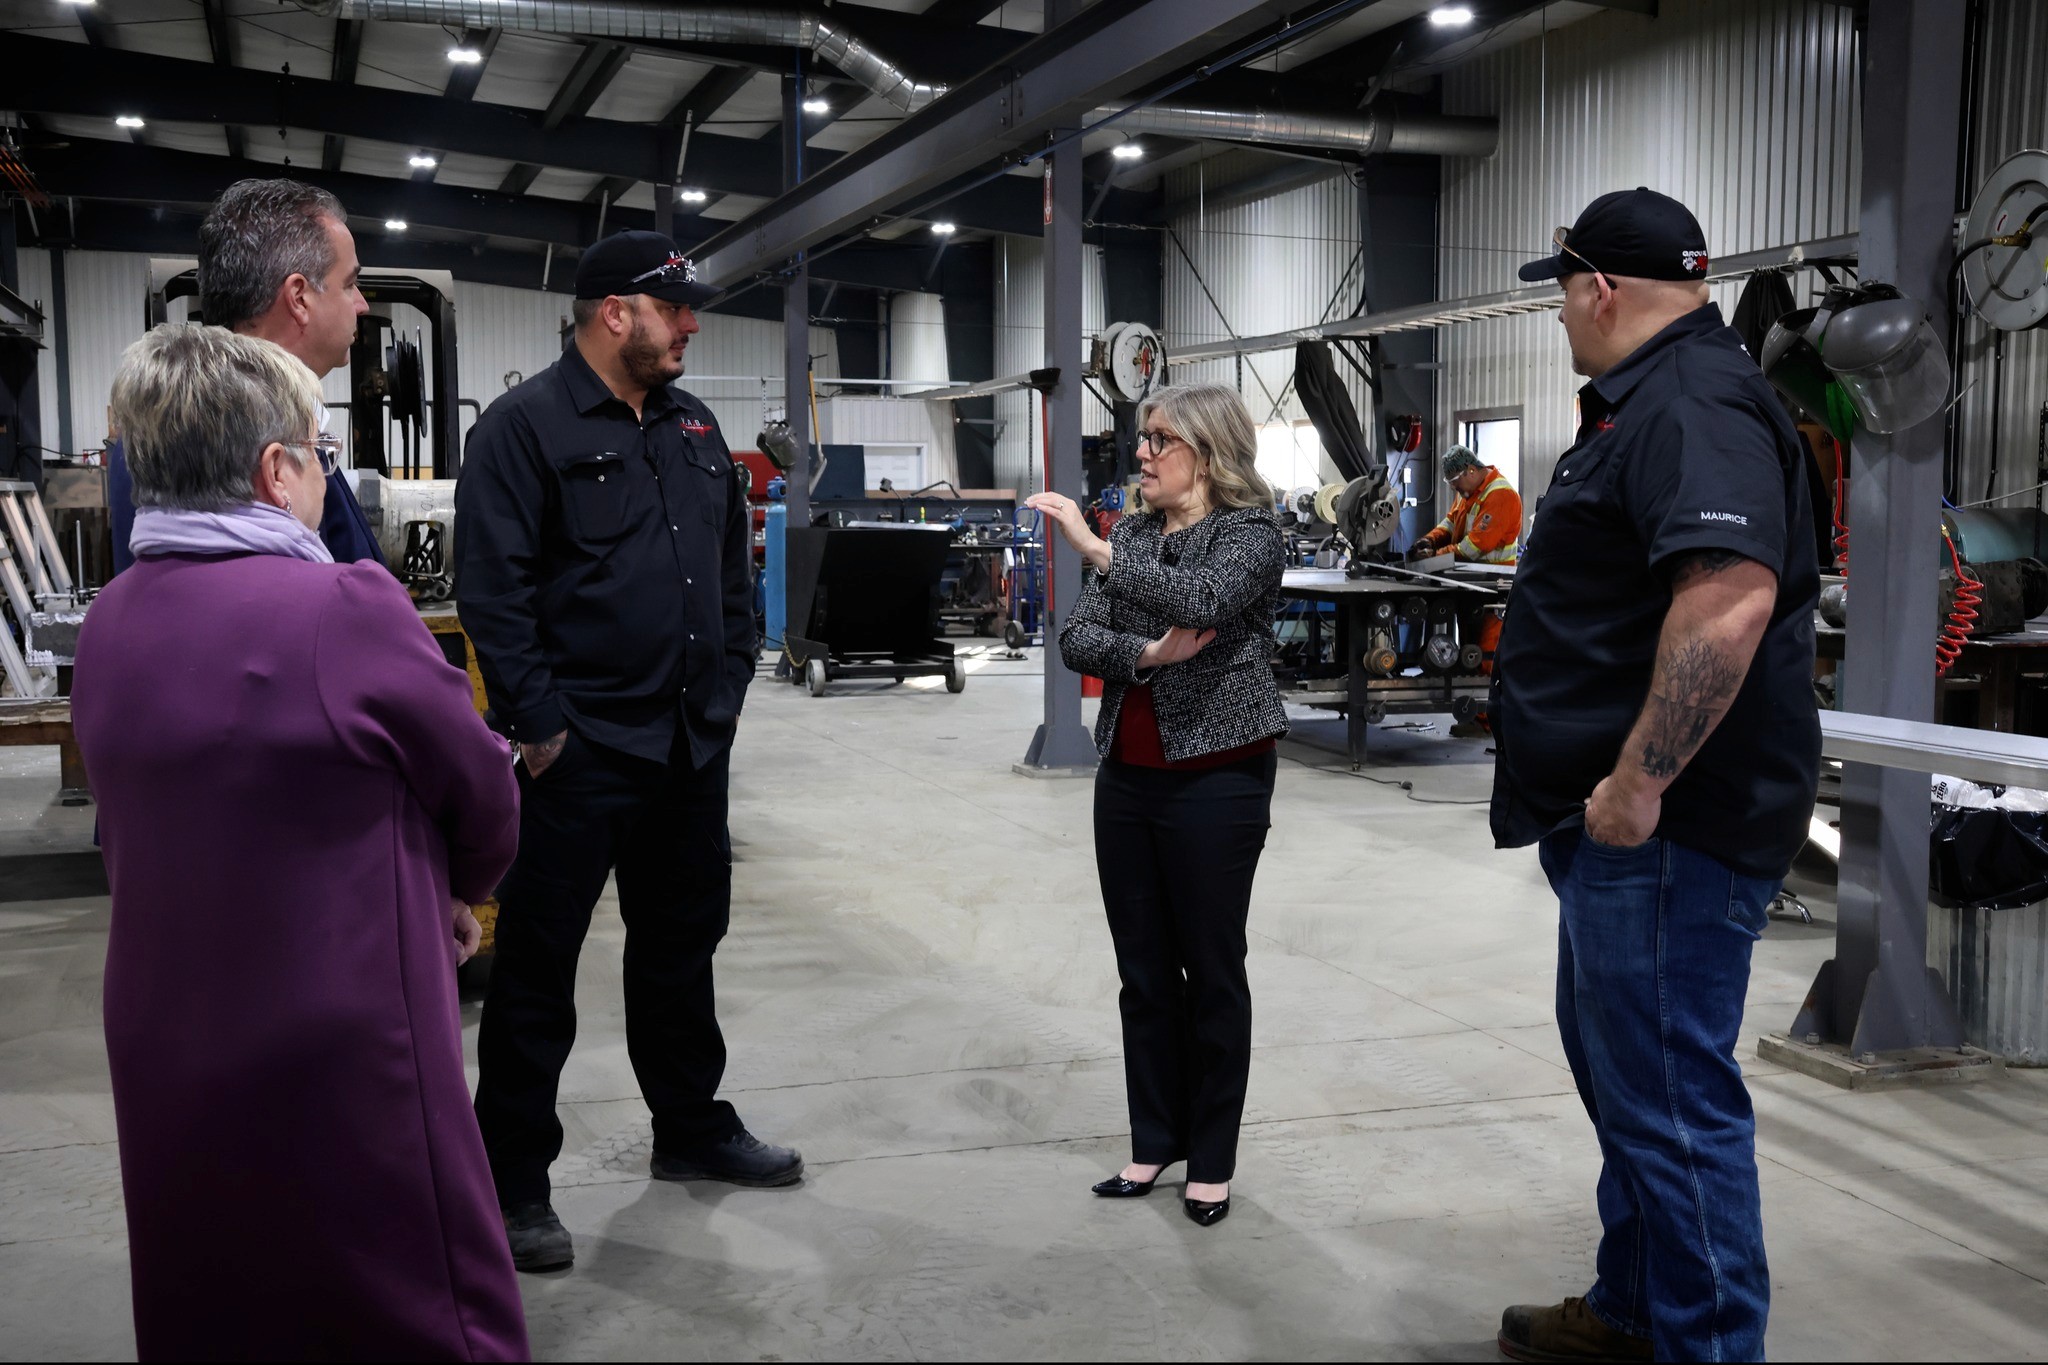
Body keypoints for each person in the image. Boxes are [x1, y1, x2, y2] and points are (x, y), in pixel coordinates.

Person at [71, 324, 527, 1361]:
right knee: (418, 1288)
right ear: (276, 471)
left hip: (160, 1026)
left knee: (214, 1282)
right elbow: (479, 789)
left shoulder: (110, 619)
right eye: (319, 453)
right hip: (339, 1028)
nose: (325, 475)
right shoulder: (341, 605)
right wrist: (462, 892)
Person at [1489, 188, 1821, 1363]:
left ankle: (1705, 1347)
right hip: (1625, 830)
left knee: (1672, 1108)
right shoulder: (1654, 402)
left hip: (1667, 831)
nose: (1563, 313)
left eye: (1560, 292)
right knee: (1628, 1086)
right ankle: (1632, 1312)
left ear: (1597, 287)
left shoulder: (1688, 403)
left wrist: (1635, 785)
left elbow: (1725, 606)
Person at [457, 230, 798, 1273]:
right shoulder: (524, 428)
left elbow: (726, 576)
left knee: (680, 947)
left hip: (690, 742)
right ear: (615, 312)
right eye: (676, 308)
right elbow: (494, 593)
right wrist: (543, 729)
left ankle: (688, 1127)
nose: (691, 323)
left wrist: (731, 683)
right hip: (582, 750)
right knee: (536, 974)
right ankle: (513, 1183)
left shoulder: (694, 426)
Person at [1027, 382, 1287, 1231]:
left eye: (1159, 439)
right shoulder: (1136, 530)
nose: (1141, 453)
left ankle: (1210, 1157)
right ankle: (1156, 1138)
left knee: (1210, 970)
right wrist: (1146, 650)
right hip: (1128, 775)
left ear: (1207, 452)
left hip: (1219, 774)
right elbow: (1077, 637)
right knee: (1142, 969)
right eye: (1142, 438)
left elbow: (1206, 603)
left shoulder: (1250, 534)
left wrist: (1095, 552)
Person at [107, 177, 384, 575]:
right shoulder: (215, 438)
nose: (360, 304)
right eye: (350, 283)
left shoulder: (170, 428)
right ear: (299, 298)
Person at [1407, 443, 1521, 565]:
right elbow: (1451, 523)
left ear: (1471, 470)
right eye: (1449, 482)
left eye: (1454, 480)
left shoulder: (1501, 495)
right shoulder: (1466, 493)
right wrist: (1430, 540)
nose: (1452, 487)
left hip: (1493, 576)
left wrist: (1435, 556)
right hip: (1471, 573)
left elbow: (1476, 546)